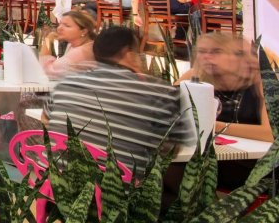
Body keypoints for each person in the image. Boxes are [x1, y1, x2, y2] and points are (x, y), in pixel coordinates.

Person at [44, 26, 194, 173]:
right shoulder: (161, 93)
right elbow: (172, 150)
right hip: (123, 194)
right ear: (129, 54)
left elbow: (45, 120)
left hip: (55, 185)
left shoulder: (65, 84)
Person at [177, 33, 273, 189]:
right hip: (210, 161)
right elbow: (168, 112)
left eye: (216, 51)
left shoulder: (261, 83)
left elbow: (269, 133)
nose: (207, 57)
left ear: (236, 56)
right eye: (202, 52)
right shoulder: (194, 77)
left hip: (254, 165)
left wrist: (214, 126)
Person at [38, 9, 97, 79]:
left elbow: (46, 70)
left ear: (84, 31)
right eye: (60, 24)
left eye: (67, 26)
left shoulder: (80, 52)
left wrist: (47, 41)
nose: (59, 28)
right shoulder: (78, 44)